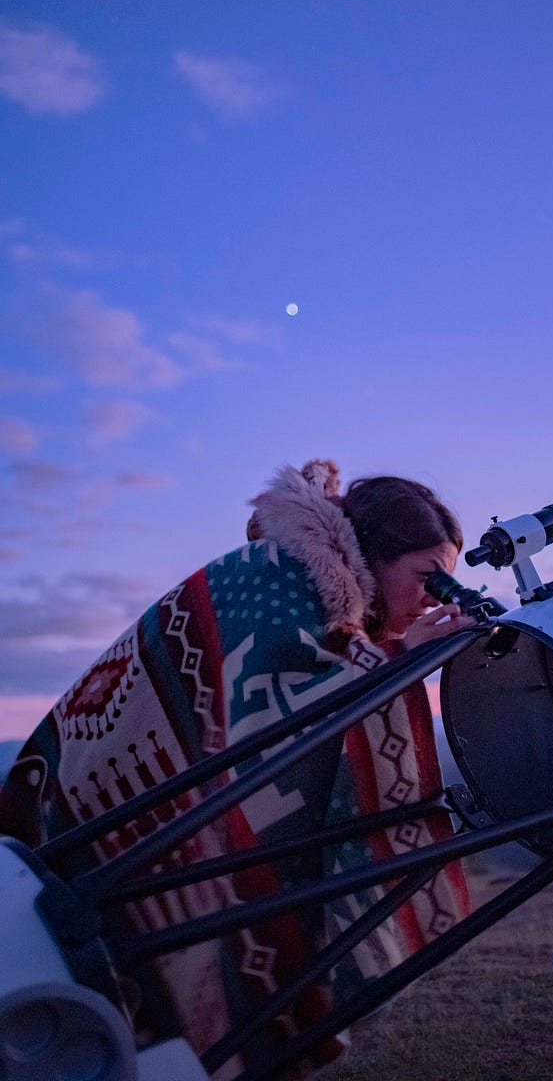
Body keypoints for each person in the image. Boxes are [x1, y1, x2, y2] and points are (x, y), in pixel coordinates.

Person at [0, 459, 475, 1078]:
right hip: (106, 803)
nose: (429, 598)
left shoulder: (313, 591)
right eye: (427, 577)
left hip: (129, 815)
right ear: (374, 554)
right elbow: (277, 713)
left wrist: (387, 657)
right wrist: (395, 663)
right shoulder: (275, 579)